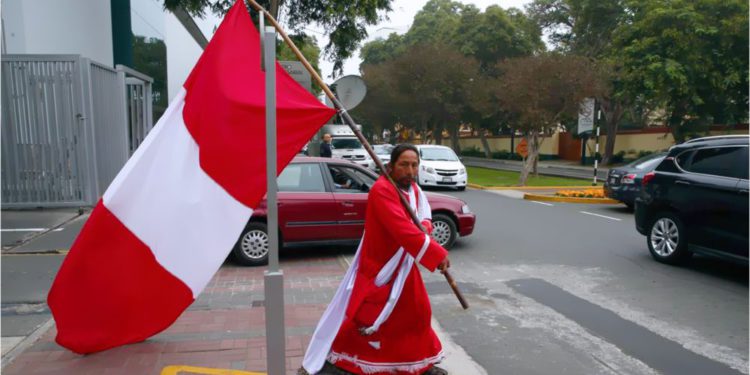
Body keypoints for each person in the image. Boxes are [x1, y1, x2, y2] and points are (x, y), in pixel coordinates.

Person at [301, 144, 451, 375]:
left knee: (417, 314)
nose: (410, 171)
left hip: (402, 266)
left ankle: (418, 362)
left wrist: (426, 227)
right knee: (367, 317)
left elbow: (423, 216)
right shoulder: (382, 191)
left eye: (414, 165)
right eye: (404, 165)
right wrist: (436, 254)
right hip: (382, 268)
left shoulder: (413, 190)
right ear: (390, 167)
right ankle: (342, 359)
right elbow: (403, 230)